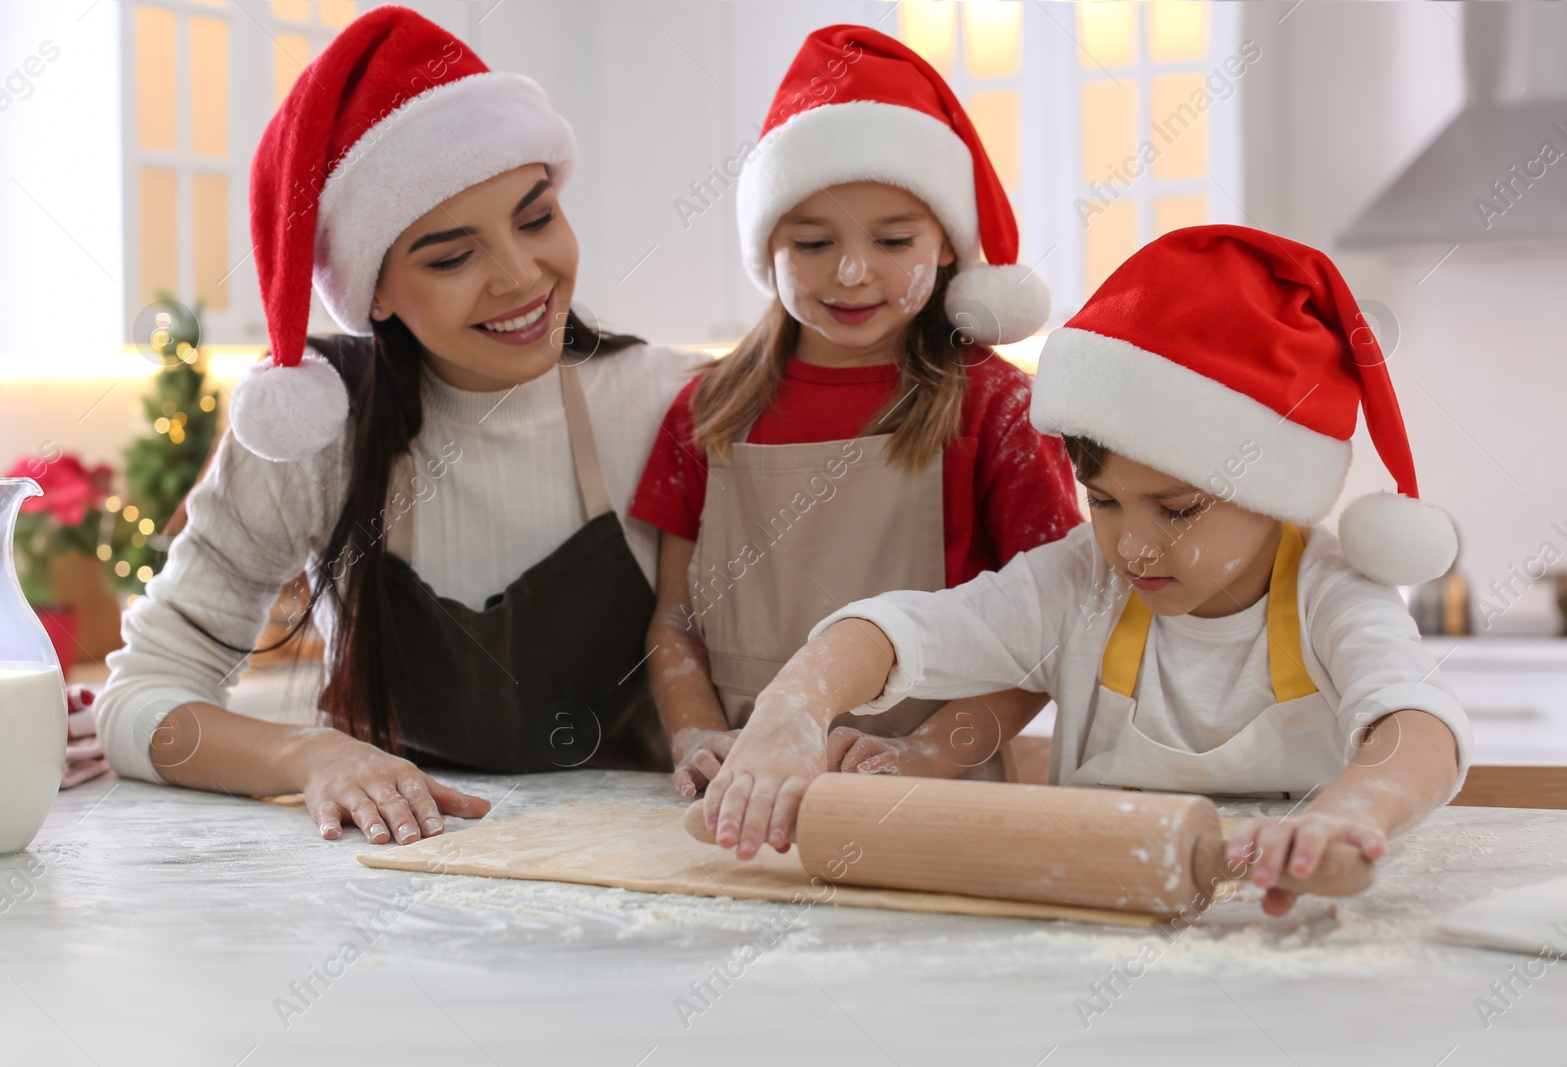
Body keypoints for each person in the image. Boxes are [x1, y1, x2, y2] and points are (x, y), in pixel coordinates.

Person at [702, 225, 1472, 917]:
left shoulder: (1327, 594)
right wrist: (790, 710)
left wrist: (1352, 814)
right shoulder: (1083, 583)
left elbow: (1416, 723)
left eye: (1176, 510)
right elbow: (903, 629)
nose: (1132, 546)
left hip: (1280, 925)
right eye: (1104, 502)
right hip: (1093, 928)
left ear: (1270, 494)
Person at [95, 6, 702, 844]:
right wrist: (310, 758)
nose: (522, 276)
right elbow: (141, 693)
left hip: (651, 882)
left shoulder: (667, 402)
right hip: (395, 882)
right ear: (373, 291)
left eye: (537, 219)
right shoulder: (314, 436)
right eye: (452, 257)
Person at [629, 26, 1082, 799]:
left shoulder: (998, 408)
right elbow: (675, 620)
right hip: (738, 797)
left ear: (946, 246)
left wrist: (933, 752)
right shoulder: (706, 412)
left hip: (935, 799)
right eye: (810, 242)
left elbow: (1056, 630)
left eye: (892, 238)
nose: (850, 271)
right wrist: (697, 734)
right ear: (766, 247)